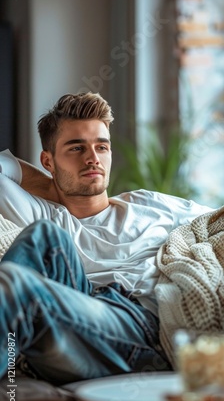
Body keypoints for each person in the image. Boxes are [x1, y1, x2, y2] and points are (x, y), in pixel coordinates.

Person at [0, 92, 212, 385]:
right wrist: (53, 187)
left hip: (135, 328)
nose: (93, 159)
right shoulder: (41, 212)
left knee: (14, 283)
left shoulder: (151, 205)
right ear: (48, 161)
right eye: (76, 149)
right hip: (72, 310)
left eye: (102, 147)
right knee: (43, 235)